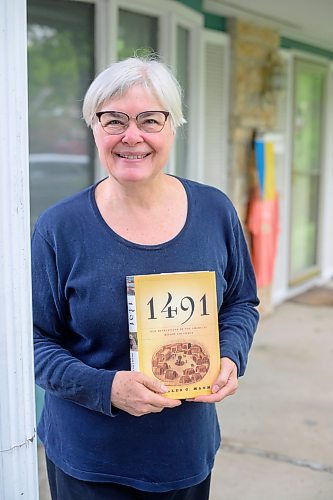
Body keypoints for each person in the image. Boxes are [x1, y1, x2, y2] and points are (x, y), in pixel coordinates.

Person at [32, 56, 259, 500]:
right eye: (113, 120)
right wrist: (106, 387)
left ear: (173, 126)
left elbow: (239, 303)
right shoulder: (59, 228)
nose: (131, 136)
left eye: (150, 120)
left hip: (184, 453)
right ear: (93, 128)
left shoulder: (215, 211)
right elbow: (33, 341)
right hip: (90, 461)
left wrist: (230, 356)